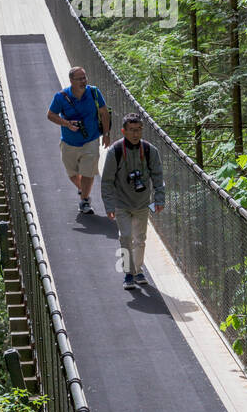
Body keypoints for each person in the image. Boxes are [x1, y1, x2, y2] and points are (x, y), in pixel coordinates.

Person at [101, 113, 165, 289]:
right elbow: (107, 180)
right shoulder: (115, 151)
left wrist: (159, 199)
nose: (135, 134)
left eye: (138, 130)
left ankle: (139, 270)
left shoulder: (150, 150)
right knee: (126, 236)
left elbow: (158, 177)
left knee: (141, 239)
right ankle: (129, 273)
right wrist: (108, 205)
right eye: (131, 130)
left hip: (142, 203)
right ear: (123, 131)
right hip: (121, 202)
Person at [47, 67, 111, 215]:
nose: (83, 81)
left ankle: (85, 200)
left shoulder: (94, 92)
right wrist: (67, 124)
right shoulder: (61, 97)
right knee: (72, 174)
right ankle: (83, 189)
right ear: (71, 81)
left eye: (84, 78)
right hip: (69, 142)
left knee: (88, 173)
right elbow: (50, 115)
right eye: (79, 79)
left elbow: (104, 112)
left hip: (91, 140)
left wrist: (106, 133)